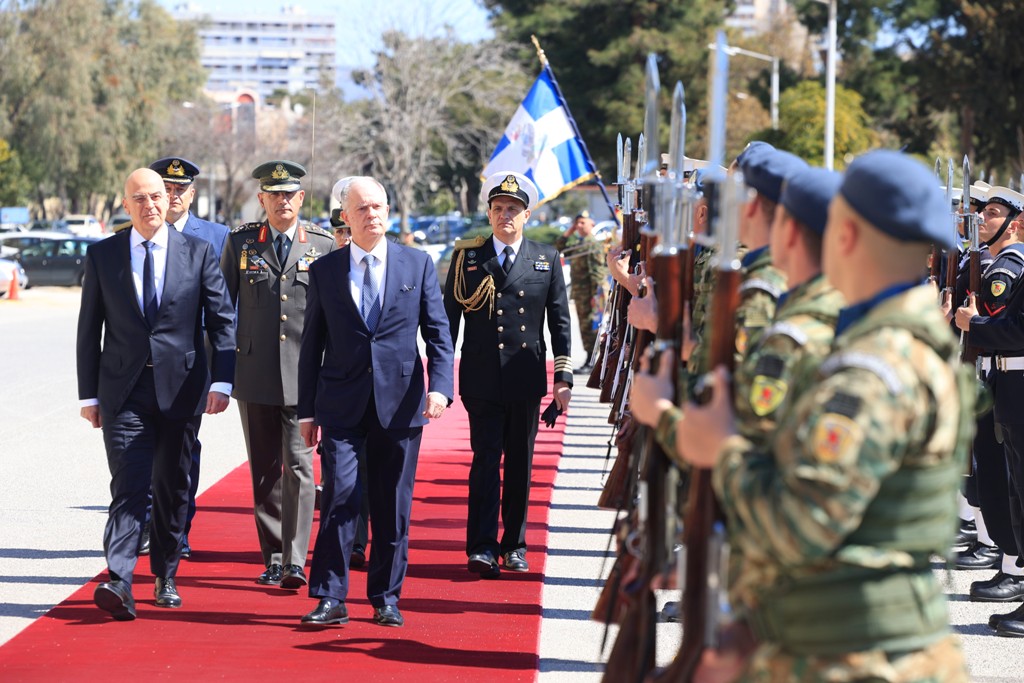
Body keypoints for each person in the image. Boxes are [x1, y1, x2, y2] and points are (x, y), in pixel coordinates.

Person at [674, 150, 975, 679]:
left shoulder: (872, 371)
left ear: (846, 235)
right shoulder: (910, 347)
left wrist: (721, 448)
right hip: (851, 639)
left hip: (855, 657)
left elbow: (800, 524)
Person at [77, 168, 235, 620]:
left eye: (156, 197)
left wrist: (223, 382)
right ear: (125, 204)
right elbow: (89, 330)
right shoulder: (103, 255)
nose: (149, 205)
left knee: (171, 485)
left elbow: (222, 321)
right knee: (128, 484)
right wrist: (89, 397)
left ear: (168, 201)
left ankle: (165, 573)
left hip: (182, 390)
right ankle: (120, 579)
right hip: (123, 391)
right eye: (139, 198)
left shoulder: (198, 252)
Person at [297, 176, 454, 628]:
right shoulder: (325, 270)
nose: (372, 215)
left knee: (392, 505)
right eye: (362, 208)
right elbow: (312, 344)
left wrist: (441, 387)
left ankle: (386, 597)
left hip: (400, 404)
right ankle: (330, 596)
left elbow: (438, 332)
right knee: (340, 496)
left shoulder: (417, 264)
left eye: (379, 206)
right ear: (345, 217)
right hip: (341, 403)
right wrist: (307, 411)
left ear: (389, 211)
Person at [443, 171, 573, 578]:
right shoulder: (468, 258)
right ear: (488, 213)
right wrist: (440, 378)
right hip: (481, 377)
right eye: (498, 208)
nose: (505, 215)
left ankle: (514, 545)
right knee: (485, 461)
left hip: (524, 376)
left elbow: (560, 322)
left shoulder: (545, 257)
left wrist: (563, 379)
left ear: (526, 215)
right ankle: (481, 546)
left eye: (513, 209)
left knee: (520, 462)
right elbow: (447, 322)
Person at [220, 160, 336, 591]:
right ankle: (272, 556)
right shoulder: (242, 242)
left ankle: (294, 560)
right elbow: (222, 308)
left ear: (301, 199)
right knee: (265, 470)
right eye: (274, 195)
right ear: (262, 199)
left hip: (304, 377)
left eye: (289, 194)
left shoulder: (322, 245)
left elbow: (334, 317)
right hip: (254, 374)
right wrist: (220, 373)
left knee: (301, 468)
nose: (282, 201)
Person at [138, 156, 231, 559]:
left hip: (196, 358)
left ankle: (178, 529)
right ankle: (147, 525)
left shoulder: (217, 236)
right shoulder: (139, 232)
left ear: (192, 194)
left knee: (182, 449)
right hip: (145, 360)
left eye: (180, 190)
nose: (173, 196)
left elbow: (226, 306)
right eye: (167, 189)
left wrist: (224, 371)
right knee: (144, 445)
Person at [955, 187, 1024, 632]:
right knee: (1012, 487)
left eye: (992, 213)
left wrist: (973, 323)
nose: (980, 219)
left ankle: (1009, 565)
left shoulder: (1010, 265)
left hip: (1013, 377)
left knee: (1007, 481)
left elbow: (1013, 329)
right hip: (1007, 381)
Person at [555, 211, 607, 370]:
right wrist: (568, 233)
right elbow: (558, 250)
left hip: (590, 294)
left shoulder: (592, 244)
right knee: (585, 328)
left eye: (583, 222)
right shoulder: (580, 243)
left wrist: (596, 296)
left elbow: (597, 273)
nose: (579, 225)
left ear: (592, 224)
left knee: (591, 327)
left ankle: (593, 362)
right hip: (580, 294)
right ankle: (589, 360)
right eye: (576, 223)